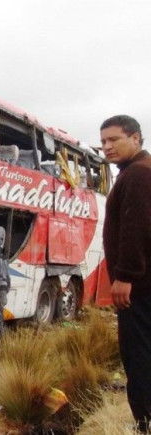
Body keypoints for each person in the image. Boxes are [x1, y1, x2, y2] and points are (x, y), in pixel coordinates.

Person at [101, 114, 151, 433]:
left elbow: (135, 229)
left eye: (114, 139)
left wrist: (125, 276)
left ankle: (144, 422)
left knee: (138, 354)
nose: (107, 147)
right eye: (103, 141)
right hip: (143, 283)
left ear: (136, 138)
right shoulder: (139, 172)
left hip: (140, 287)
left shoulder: (136, 176)